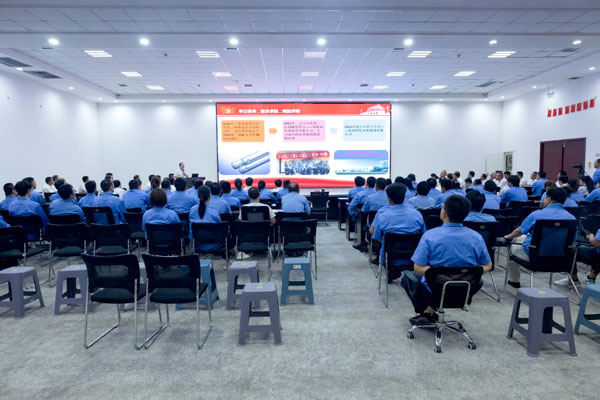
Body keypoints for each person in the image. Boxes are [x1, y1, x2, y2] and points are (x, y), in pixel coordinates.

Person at [401, 195, 492, 325]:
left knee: (407, 279)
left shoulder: (430, 236)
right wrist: (473, 272)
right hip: (465, 289)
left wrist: (435, 273)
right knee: (479, 280)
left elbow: (417, 268)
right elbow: (488, 265)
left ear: (444, 212)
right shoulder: (476, 237)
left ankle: (426, 312)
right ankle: (429, 311)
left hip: (435, 290)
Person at [503, 187, 575, 288]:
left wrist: (508, 236)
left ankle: (514, 281)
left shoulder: (537, 214)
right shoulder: (572, 218)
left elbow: (519, 231)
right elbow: (572, 240)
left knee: (512, 244)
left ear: (548, 199)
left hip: (535, 257)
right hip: (560, 259)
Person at [370, 182, 426, 281]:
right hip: (414, 258)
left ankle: (392, 272)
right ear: (404, 196)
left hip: (390, 258)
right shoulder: (417, 214)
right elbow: (423, 235)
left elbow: (376, 236)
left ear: (389, 198)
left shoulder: (383, 215)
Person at [189, 186, 221, 251]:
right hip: (214, 245)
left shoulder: (192, 210)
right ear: (210, 196)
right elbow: (219, 228)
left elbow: (191, 230)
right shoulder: (214, 212)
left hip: (197, 245)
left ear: (198, 196)